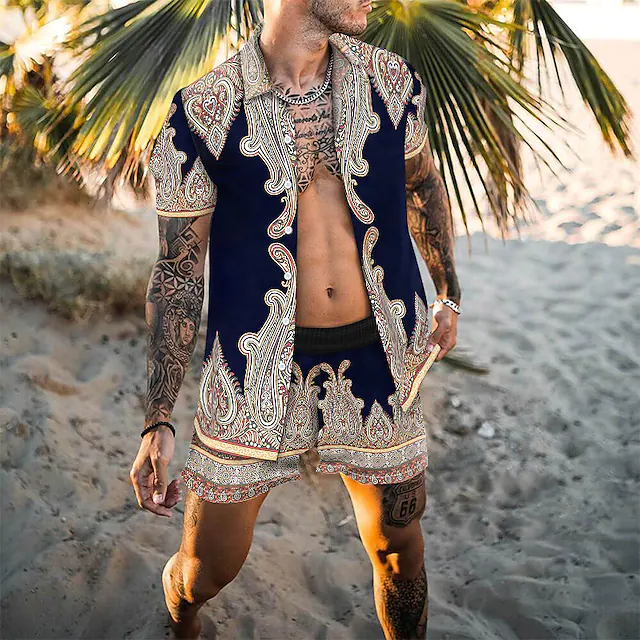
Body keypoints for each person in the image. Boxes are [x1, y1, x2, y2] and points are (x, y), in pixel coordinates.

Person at [129, 0, 461, 636]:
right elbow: (177, 272)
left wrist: (449, 293)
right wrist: (159, 416)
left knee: (399, 552)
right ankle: (182, 616)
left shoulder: (392, 80)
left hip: (381, 360)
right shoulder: (201, 112)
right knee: (206, 568)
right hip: (253, 372)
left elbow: (421, 183)